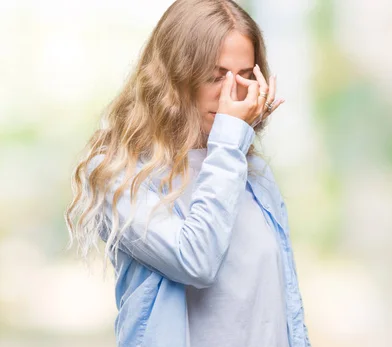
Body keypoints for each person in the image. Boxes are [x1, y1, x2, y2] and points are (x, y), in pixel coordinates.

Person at [64, 1, 311, 346]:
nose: (233, 92)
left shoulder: (252, 171)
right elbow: (196, 260)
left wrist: (232, 145)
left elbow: (276, 308)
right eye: (215, 76)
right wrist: (229, 141)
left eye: (244, 75)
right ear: (175, 77)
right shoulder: (117, 174)